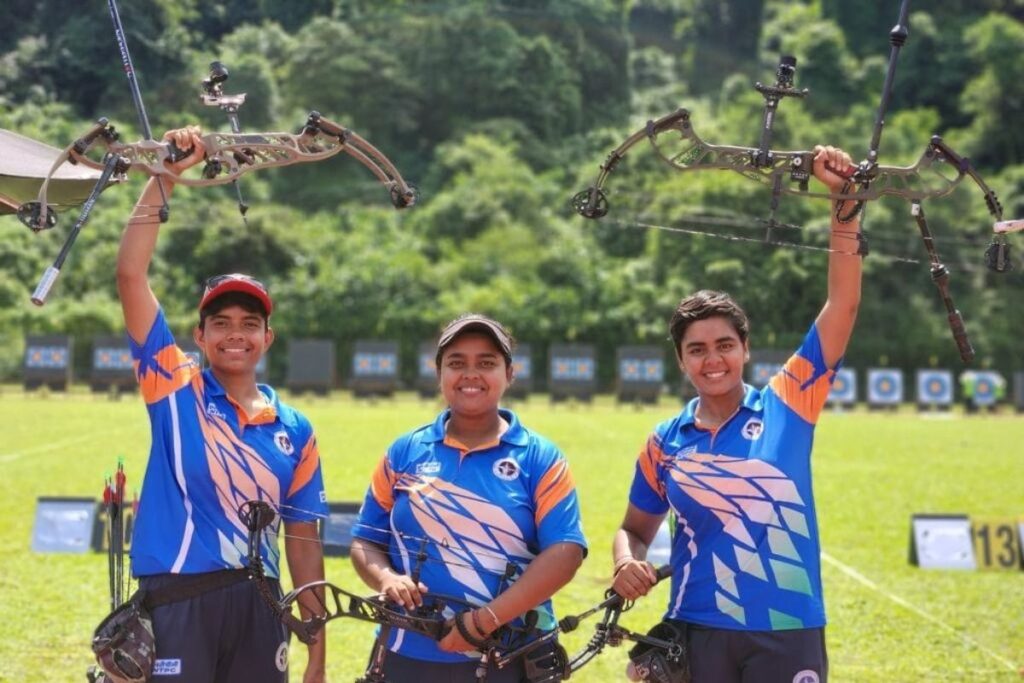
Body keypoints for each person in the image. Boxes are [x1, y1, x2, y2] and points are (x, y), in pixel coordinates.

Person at [611, 146, 861, 683]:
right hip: (696, 630)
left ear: (745, 349)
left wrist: (843, 205)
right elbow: (634, 529)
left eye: (724, 344)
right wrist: (625, 561)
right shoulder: (665, 441)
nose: (712, 359)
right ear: (682, 361)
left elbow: (841, 307)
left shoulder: (789, 402)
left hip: (786, 626)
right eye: (696, 349)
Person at [115, 126, 327, 683]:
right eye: (222, 324)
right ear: (200, 336)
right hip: (179, 604)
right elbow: (130, 276)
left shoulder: (295, 429)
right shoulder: (174, 386)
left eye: (250, 324)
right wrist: (167, 174)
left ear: (267, 338)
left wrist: (318, 652)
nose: (237, 335)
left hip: (263, 609)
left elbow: (303, 543)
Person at [351, 314, 587, 682]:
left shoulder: (541, 457)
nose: (471, 374)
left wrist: (483, 622)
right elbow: (366, 540)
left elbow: (565, 553)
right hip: (405, 651)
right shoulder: (405, 451)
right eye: (456, 363)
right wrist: (385, 579)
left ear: (510, 373)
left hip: (509, 654)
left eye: (487, 363)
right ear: (439, 372)